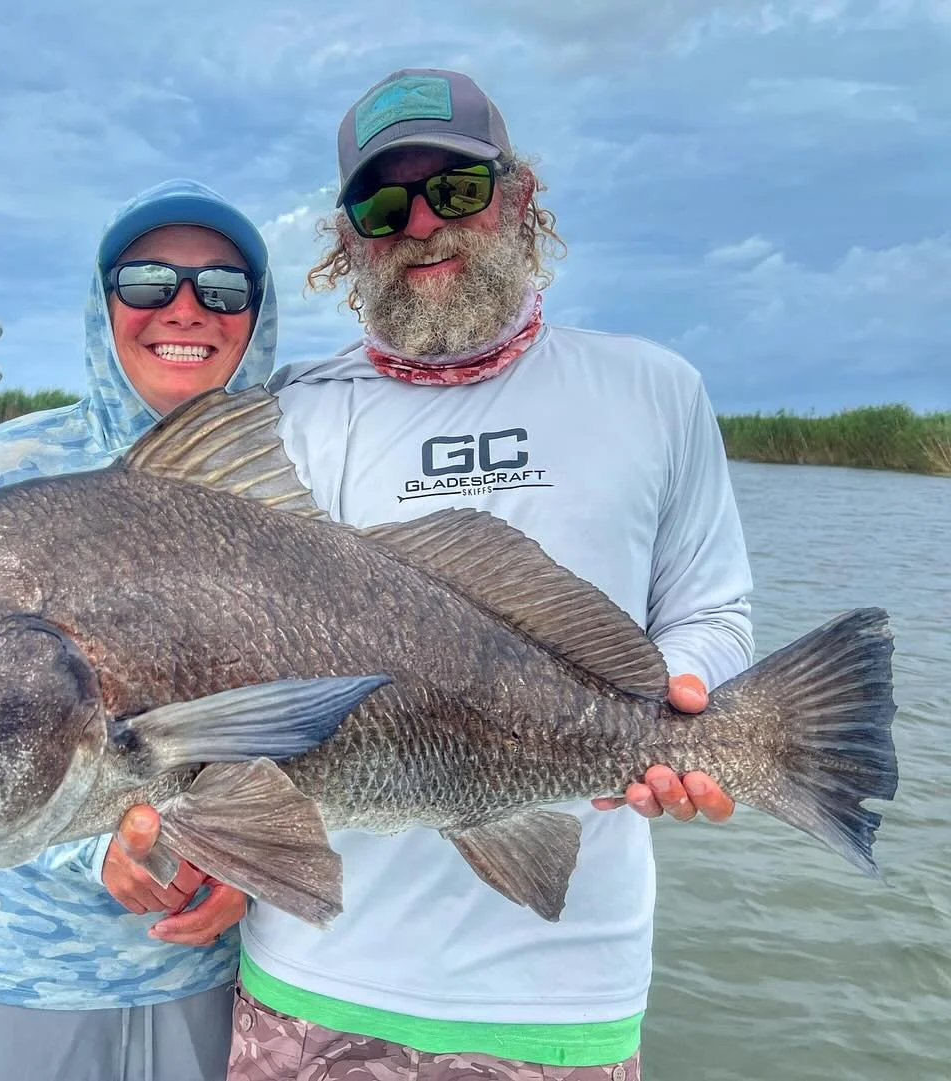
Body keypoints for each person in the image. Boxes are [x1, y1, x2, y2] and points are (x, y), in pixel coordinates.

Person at [115, 69, 755, 1080]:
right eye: (381, 204)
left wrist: (682, 699)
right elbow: (206, 674)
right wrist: (178, 832)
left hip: (561, 999)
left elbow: (713, 606)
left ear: (520, 196)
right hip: (307, 981)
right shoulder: (287, 416)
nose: (420, 222)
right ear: (347, 239)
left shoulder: (654, 389)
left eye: (455, 188)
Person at [0, 178, 279, 1081]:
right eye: (149, 282)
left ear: (258, 319)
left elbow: (336, 718)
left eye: (223, 289)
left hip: (215, 977)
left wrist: (253, 854)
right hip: (15, 971)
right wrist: (93, 846)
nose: (184, 309)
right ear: (102, 302)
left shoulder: (297, 488)